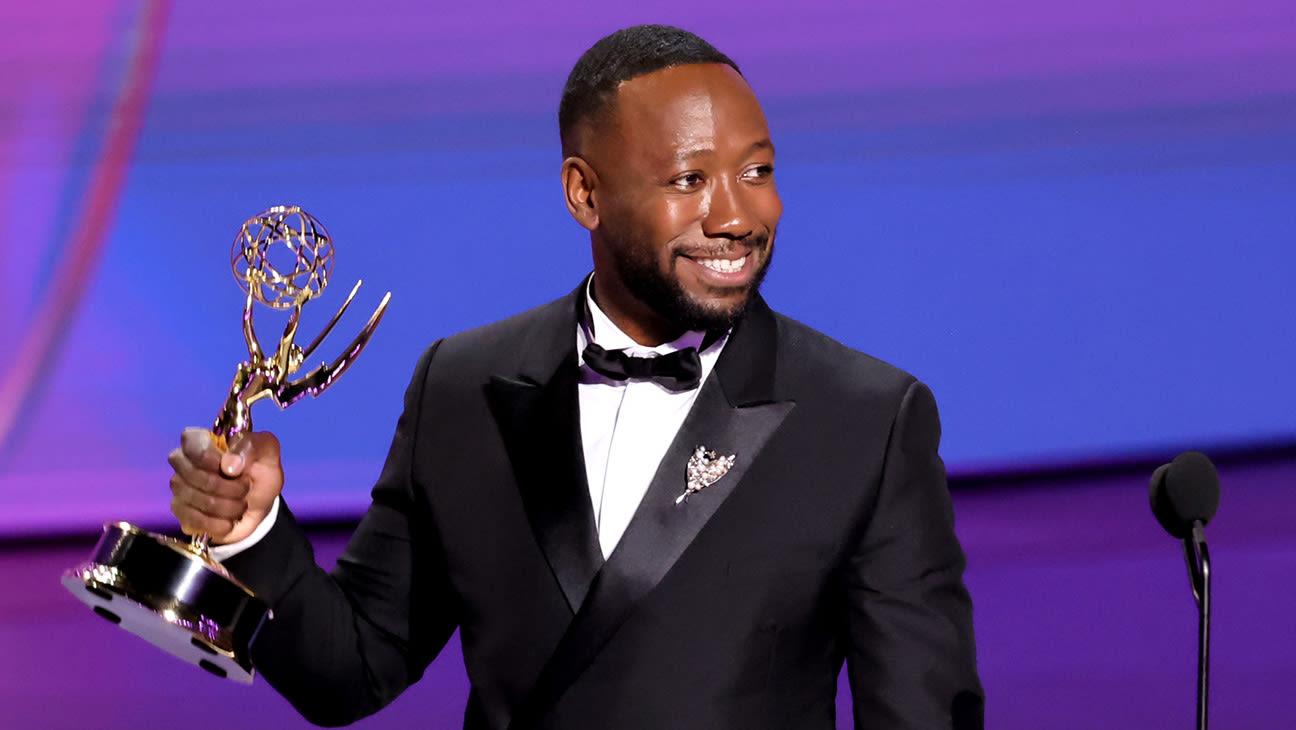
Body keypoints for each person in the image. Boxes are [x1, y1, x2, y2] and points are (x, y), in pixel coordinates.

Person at [169, 24, 983, 730]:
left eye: (758, 172)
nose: (738, 216)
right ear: (584, 193)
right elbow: (348, 671)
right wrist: (252, 528)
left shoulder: (864, 420)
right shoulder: (464, 386)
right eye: (690, 180)